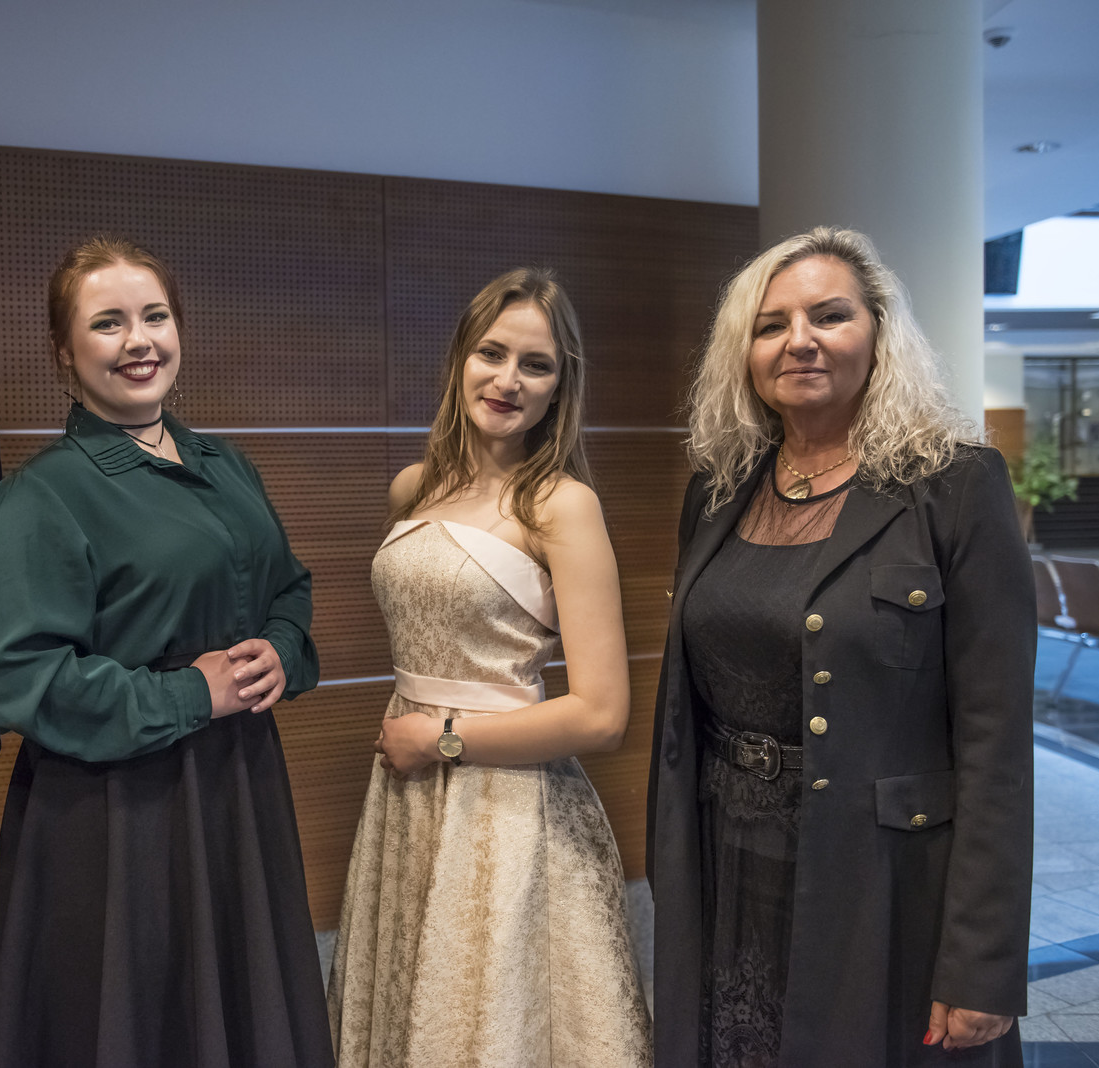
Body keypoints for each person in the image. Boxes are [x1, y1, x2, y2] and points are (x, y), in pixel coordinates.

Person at [648, 226, 1034, 1066]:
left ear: (879, 334)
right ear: (744, 352)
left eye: (829, 315)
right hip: (726, 858)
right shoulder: (718, 489)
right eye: (771, 324)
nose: (800, 340)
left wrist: (983, 963)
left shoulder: (955, 485)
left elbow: (996, 743)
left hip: (883, 881)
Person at [0, 236, 332, 1067]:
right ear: (65, 353)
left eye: (155, 316)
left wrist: (281, 648)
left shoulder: (225, 463)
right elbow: (15, 677)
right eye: (108, 323)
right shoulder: (44, 494)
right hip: (118, 812)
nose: (139, 341)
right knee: (137, 1022)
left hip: (238, 788)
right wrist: (193, 696)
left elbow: (288, 585)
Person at [327, 267, 652, 1067]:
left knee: (489, 1023)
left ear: (559, 386)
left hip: (504, 806)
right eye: (492, 354)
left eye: (535, 365)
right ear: (460, 359)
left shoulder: (561, 504)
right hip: (404, 797)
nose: (508, 380)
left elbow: (602, 715)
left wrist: (441, 736)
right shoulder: (413, 488)